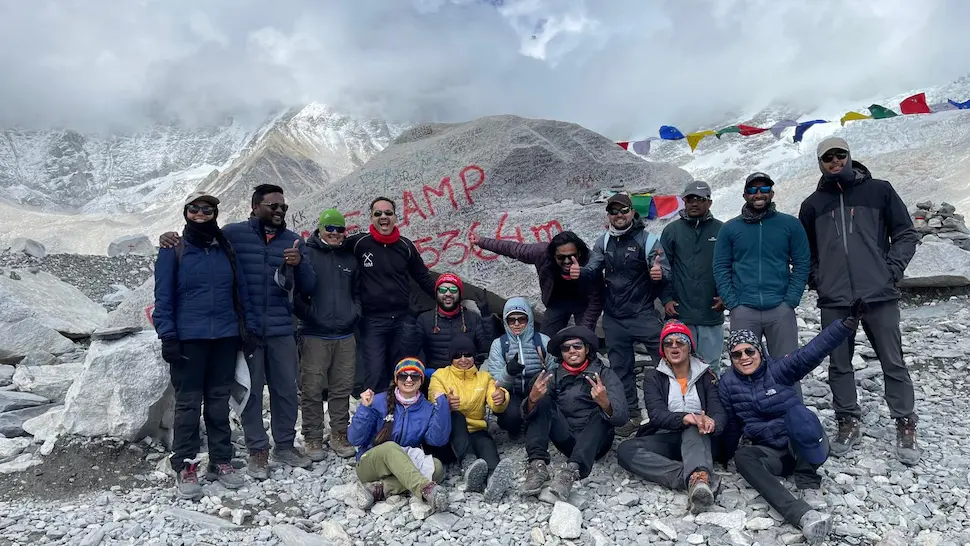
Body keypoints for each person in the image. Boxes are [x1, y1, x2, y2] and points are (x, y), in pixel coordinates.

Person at [159, 184, 317, 479]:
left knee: (285, 391)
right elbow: (198, 240)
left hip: (280, 329)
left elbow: (308, 288)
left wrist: (299, 265)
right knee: (250, 392)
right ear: (255, 207)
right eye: (272, 206)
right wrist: (167, 237)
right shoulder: (232, 235)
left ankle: (284, 445)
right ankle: (257, 450)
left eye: (283, 207)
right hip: (245, 332)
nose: (279, 211)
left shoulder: (295, 241)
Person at [798, 136, 921, 465]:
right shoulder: (812, 205)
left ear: (850, 157)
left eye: (840, 155)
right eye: (828, 158)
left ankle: (905, 421)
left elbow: (906, 234)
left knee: (892, 361)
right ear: (820, 163)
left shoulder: (880, 190)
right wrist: (818, 279)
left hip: (879, 294)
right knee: (839, 363)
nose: (835, 161)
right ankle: (847, 420)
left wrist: (890, 270)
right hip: (835, 298)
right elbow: (806, 252)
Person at [718, 299, 867, 544]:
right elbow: (732, 425)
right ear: (731, 358)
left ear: (760, 351)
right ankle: (802, 515)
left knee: (800, 415)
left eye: (749, 351)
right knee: (743, 457)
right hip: (771, 453)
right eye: (736, 354)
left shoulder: (779, 370)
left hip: (799, 446)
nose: (744, 357)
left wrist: (846, 325)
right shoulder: (728, 384)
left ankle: (808, 481)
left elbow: (813, 351)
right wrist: (723, 456)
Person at [153, 192, 258, 499]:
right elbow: (163, 298)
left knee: (217, 401)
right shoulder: (174, 249)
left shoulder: (224, 247)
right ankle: (185, 465)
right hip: (189, 339)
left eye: (207, 209)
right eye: (195, 208)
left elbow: (241, 292)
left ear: (215, 213)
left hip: (225, 336)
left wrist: (246, 329)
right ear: (186, 212)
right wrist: (168, 336)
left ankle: (221, 461)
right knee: (187, 405)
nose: (201, 213)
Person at [570, 193, 668, 436]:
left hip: (644, 313)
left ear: (632, 212)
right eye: (614, 211)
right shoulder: (603, 242)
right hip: (614, 317)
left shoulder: (648, 240)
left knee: (666, 363)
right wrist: (580, 272)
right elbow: (594, 268)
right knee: (620, 368)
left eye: (623, 210)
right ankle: (631, 416)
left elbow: (664, 268)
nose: (619, 215)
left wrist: (660, 273)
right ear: (609, 216)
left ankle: (669, 412)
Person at [616, 321, 724, 512]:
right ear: (663, 349)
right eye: (668, 343)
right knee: (626, 449)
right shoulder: (654, 377)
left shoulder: (707, 376)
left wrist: (710, 423)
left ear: (689, 347)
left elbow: (719, 413)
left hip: (700, 439)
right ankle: (695, 478)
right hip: (666, 436)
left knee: (693, 429)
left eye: (680, 341)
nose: (674, 346)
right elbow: (656, 415)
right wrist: (687, 417)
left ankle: (698, 476)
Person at [713, 173, 810, 381]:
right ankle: (749, 414)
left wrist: (790, 300)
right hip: (744, 311)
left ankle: (790, 413)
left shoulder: (790, 225)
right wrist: (733, 303)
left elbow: (802, 263)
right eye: (753, 190)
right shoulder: (730, 228)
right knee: (744, 369)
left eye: (764, 189)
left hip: (780, 311)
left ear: (772, 193)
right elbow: (721, 267)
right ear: (745, 194)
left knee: (788, 368)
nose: (759, 194)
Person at [519, 325, 628, 500]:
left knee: (600, 413)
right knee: (542, 400)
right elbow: (526, 416)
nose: (572, 351)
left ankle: (571, 471)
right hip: (567, 439)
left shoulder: (605, 374)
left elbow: (622, 417)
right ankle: (537, 466)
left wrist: (605, 403)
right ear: (561, 353)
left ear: (587, 349)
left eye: (577, 346)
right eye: (566, 348)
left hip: (596, 442)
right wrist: (532, 399)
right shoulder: (553, 375)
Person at [349, 197, 436, 393]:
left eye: (388, 213)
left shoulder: (405, 246)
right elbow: (332, 248)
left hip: (403, 319)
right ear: (371, 218)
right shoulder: (359, 244)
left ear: (397, 217)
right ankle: (380, 420)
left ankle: (402, 419)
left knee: (404, 372)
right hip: (372, 322)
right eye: (378, 213)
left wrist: (448, 298)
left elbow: (423, 277)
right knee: (375, 374)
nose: (383, 217)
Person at [294, 209, 360, 460]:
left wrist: (355, 313)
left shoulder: (349, 258)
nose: (334, 233)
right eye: (329, 228)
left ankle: (339, 434)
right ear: (320, 229)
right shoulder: (306, 254)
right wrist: (309, 315)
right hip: (314, 333)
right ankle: (312, 438)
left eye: (339, 229)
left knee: (342, 388)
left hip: (345, 334)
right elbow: (295, 292)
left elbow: (358, 292)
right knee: (311, 389)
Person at [348, 357, 451, 513]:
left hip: (404, 463)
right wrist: (365, 408)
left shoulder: (427, 408)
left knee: (436, 466)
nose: (409, 379)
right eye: (403, 375)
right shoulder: (378, 401)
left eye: (415, 376)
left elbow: (437, 440)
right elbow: (355, 439)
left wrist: (442, 406)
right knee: (390, 447)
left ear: (421, 380)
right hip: (370, 463)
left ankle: (379, 490)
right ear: (396, 379)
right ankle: (425, 488)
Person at [428, 336, 516, 502]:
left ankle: (493, 479)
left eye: (467, 354)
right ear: (451, 358)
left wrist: (501, 397)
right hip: (450, 436)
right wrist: (445, 403)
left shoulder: (484, 377)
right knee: (455, 415)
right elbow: (434, 397)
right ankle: (469, 466)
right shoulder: (440, 376)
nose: (463, 359)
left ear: (474, 356)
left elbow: (495, 402)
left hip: (475, 430)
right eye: (457, 355)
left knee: (486, 442)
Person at [470, 231, 603, 334]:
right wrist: (481, 241)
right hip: (557, 302)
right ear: (553, 254)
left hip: (583, 303)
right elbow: (512, 248)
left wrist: (585, 332)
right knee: (546, 340)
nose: (567, 261)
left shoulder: (590, 265)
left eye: (572, 256)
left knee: (585, 340)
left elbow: (595, 301)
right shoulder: (541, 254)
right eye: (561, 257)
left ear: (579, 253)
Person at [660, 181, 726, 370]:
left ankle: (710, 400)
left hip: (711, 313)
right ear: (684, 202)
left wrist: (726, 297)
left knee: (711, 365)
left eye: (700, 199)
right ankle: (682, 400)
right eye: (690, 199)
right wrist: (666, 299)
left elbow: (731, 267)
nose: (694, 203)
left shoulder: (721, 230)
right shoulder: (672, 231)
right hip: (680, 314)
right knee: (679, 365)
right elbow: (664, 269)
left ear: (710, 202)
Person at [486, 297, 557, 439]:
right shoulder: (499, 345)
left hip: (536, 388)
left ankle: (540, 425)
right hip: (512, 391)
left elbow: (554, 370)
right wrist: (509, 372)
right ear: (506, 322)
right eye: (511, 320)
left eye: (521, 319)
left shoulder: (543, 341)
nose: (517, 324)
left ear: (529, 319)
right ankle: (517, 426)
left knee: (544, 393)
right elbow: (496, 383)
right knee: (510, 418)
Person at [408, 272, 492, 372]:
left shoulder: (472, 318)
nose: (448, 294)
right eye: (443, 290)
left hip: (467, 374)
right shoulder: (425, 319)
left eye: (453, 290)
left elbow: (487, 349)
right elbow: (410, 352)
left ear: (460, 294)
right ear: (436, 293)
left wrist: (486, 315)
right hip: (436, 375)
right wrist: (410, 321)